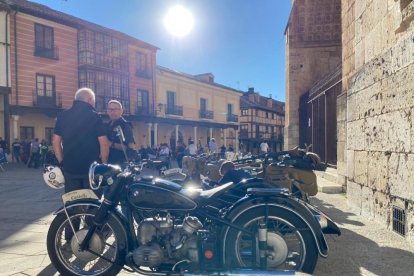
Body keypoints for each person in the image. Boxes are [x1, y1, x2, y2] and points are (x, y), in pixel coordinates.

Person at [53, 87, 109, 195]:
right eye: (93, 101)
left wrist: (62, 162)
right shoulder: (94, 116)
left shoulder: (63, 115)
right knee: (93, 204)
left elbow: (56, 141)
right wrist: (103, 164)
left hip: (70, 168)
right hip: (91, 168)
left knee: (73, 202)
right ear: (89, 100)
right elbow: (104, 143)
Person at [105, 100, 136, 165]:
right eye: (110, 109)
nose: (112, 111)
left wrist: (111, 144)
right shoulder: (108, 125)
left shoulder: (125, 125)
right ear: (107, 111)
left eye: (115, 109)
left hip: (120, 163)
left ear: (121, 111)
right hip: (108, 162)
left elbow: (130, 148)